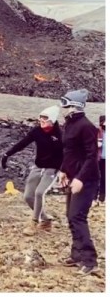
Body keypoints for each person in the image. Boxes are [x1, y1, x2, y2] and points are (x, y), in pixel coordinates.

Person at [56, 89, 100, 275]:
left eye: (65, 104)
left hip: (86, 179)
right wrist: (63, 171)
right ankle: (76, 255)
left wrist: (80, 179)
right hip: (73, 176)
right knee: (70, 215)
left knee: (77, 216)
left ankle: (90, 260)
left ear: (75, 106)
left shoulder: (86, 126)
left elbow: (92, 157)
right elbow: (69, 151)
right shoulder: (69, 124)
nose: (62, 108)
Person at [0, 105, 63, 235]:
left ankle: (34, 222)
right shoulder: (36, 131)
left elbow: (66, 153)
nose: (42, 123)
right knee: (28, 196)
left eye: (45, 121)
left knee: (39, 193)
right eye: (40, 120)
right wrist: (7, 155)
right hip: (38, 166)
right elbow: (23, 143)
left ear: (52, 120)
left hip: (52, 168)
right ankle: (46, 219)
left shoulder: (60, 135)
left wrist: (64, 170)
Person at [96, 115, 105, 205]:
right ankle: (94, 197)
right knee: (97, 178)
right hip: (99, 158)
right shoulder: (98, 131)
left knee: (104, 178)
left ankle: (102, 197)